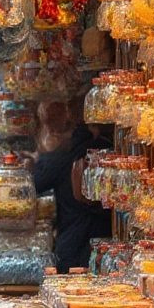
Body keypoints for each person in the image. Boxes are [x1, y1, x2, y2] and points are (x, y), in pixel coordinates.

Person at [32, 101, 113, 271]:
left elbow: (35, 183)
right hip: (103, 235)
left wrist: (34, 162)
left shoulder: (64, 149)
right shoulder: (104, 146)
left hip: (74, 240)